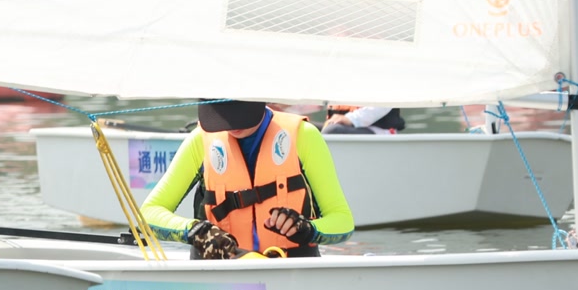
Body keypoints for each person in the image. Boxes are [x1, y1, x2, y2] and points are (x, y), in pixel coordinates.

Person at [138, 100, 355, 259]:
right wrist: (195, 231)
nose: (231, 124)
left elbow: (342, 221)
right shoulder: (199, 140)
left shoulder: (304, 136)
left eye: (239, 115)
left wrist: (307, 229)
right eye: (221, 116)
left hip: (289, 275)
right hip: (222, 281)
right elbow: (148, 213)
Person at [321, 103, 404, 135]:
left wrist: (350, 119)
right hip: (345, 127)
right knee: (312, 130)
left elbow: (384, 105)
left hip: (378, 130)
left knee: (331, 131)